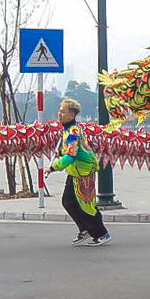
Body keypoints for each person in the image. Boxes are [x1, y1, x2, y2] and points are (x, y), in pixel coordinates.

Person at [50, 97, 109, 244]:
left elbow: (71, 156)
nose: (59, 114)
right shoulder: (68, 130)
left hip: (83, 172)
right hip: (74, 172)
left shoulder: (72, 132)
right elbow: (69, 152)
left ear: (72, 115)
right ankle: (85, 230)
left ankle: (101, 233)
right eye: (59, 111)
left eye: (62, 112)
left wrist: (53, 167)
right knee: (68, 201)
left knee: (87, 204)